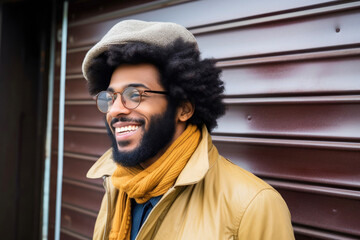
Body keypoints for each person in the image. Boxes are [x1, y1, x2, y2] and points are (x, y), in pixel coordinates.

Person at [82, 19, 295, 240]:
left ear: (183, 108)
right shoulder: (118, 186)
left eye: (135, 95)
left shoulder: (253, 206)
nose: (115, 110)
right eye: (110, 97)